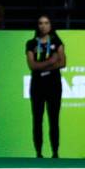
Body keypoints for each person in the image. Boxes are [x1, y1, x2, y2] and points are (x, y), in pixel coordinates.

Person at [27, 15, 66, 159]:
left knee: (54, 119)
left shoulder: (57, 41)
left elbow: (63, 62)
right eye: (40, 23)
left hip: (54, 85)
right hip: (37, 85)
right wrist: (51, 61)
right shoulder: (31, 44)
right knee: (37, 119)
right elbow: (32, 65)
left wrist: (41, 66)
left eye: (46, 23)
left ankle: (55, 152)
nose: (43, 26)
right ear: (37, 25)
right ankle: (38, 153)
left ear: (51, 25)